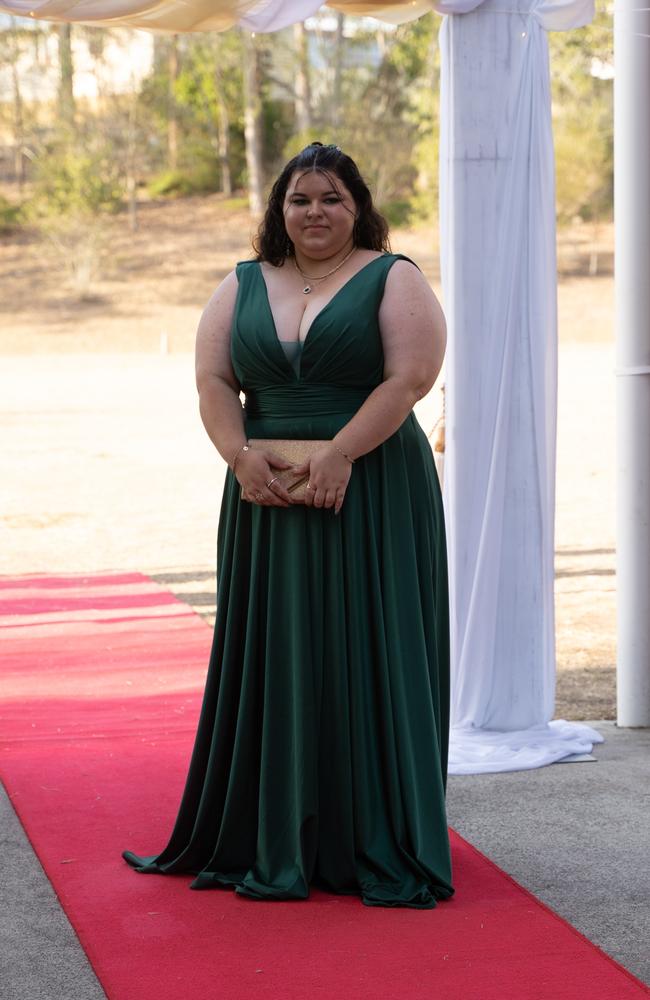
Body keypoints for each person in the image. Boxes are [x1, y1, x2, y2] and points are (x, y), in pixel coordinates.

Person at [123, 142, 454, 909]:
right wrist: (237, 456)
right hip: (264, 493)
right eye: (300, 199)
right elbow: (212, 377)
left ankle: (375, 831)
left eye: (331, 198)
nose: (315, 212)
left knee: (368, 645)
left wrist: (342, 453)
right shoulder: (243, 284)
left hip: (371, 489)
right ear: (279, 207)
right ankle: (266, 830)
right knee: (278, 651)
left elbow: (410, 377)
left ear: (358, 205)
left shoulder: (392, 276)